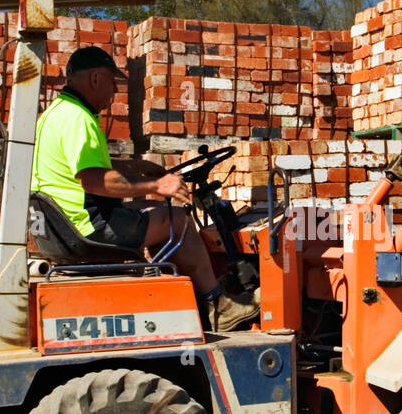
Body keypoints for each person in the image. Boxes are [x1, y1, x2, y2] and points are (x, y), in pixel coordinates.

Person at [31, 46, 259, 331]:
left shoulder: (55, 114)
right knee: (178, 220)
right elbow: (93, 180)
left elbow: (88, 164)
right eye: (112, 82)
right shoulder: (79, 119)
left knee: (146, 212)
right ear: (95, 79)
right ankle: (218, 306)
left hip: (63, 227)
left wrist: (136, 166)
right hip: (88, 227)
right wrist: (158, 184)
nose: (114, 90)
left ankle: (185, 295)